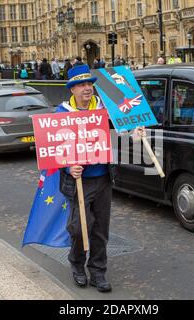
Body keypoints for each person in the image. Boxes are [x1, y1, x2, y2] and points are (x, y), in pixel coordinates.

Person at [56, 64, 144, 293]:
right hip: (79, 181)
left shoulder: (104, 109)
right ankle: (77, 265)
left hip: (103, 177)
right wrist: (67, 166)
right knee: (78, 228)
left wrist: (134, 135)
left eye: (90, 84)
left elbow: (120, 135)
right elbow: (54, 147)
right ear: (72, 89)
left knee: (100, 229)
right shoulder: (62, 113)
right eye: (82, 85)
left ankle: (97, 272)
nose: (87, 89)